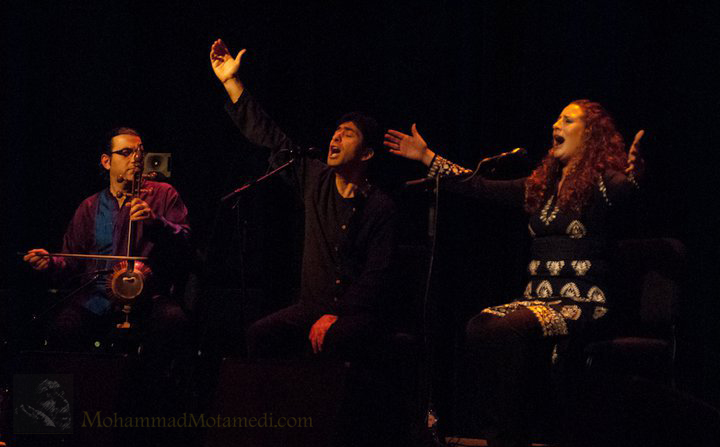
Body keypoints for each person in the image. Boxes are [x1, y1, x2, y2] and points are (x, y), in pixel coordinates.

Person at [385, 100, 644, 447]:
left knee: (503, 327)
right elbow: (477, 185)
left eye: (567, 120)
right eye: (556, 118)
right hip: (536, 301)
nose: (556, 124)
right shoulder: (540, 186)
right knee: (480, 325)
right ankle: (507, 434)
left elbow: (630, 196)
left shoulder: (605, 184)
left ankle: (507, 437)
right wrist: (428, 158)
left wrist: (636, 177)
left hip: (582, 302)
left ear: (591, 134)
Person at [210, 39, 397, 360]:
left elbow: (376, 278)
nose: (336, 137)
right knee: (260, 334)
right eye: (335, 132)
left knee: (337, 340)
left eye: (348, 134)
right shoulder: (315, 177)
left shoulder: (381, 207)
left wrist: (337, 315)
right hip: (311, 306)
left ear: (366, 153)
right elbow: (270, 137)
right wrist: (231, 81)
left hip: (358, 312)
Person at [23, 127, 191, 356]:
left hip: (147, 298)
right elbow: (71, 260)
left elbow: (185, 239)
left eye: (139, 152)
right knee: (63, 329)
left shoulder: (164, 194)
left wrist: (157, 222)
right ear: (106, 161)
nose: (136, 159)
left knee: (174, 321)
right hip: (98, 299)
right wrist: (50, 262)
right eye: (126, 152)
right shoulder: (90, 207)